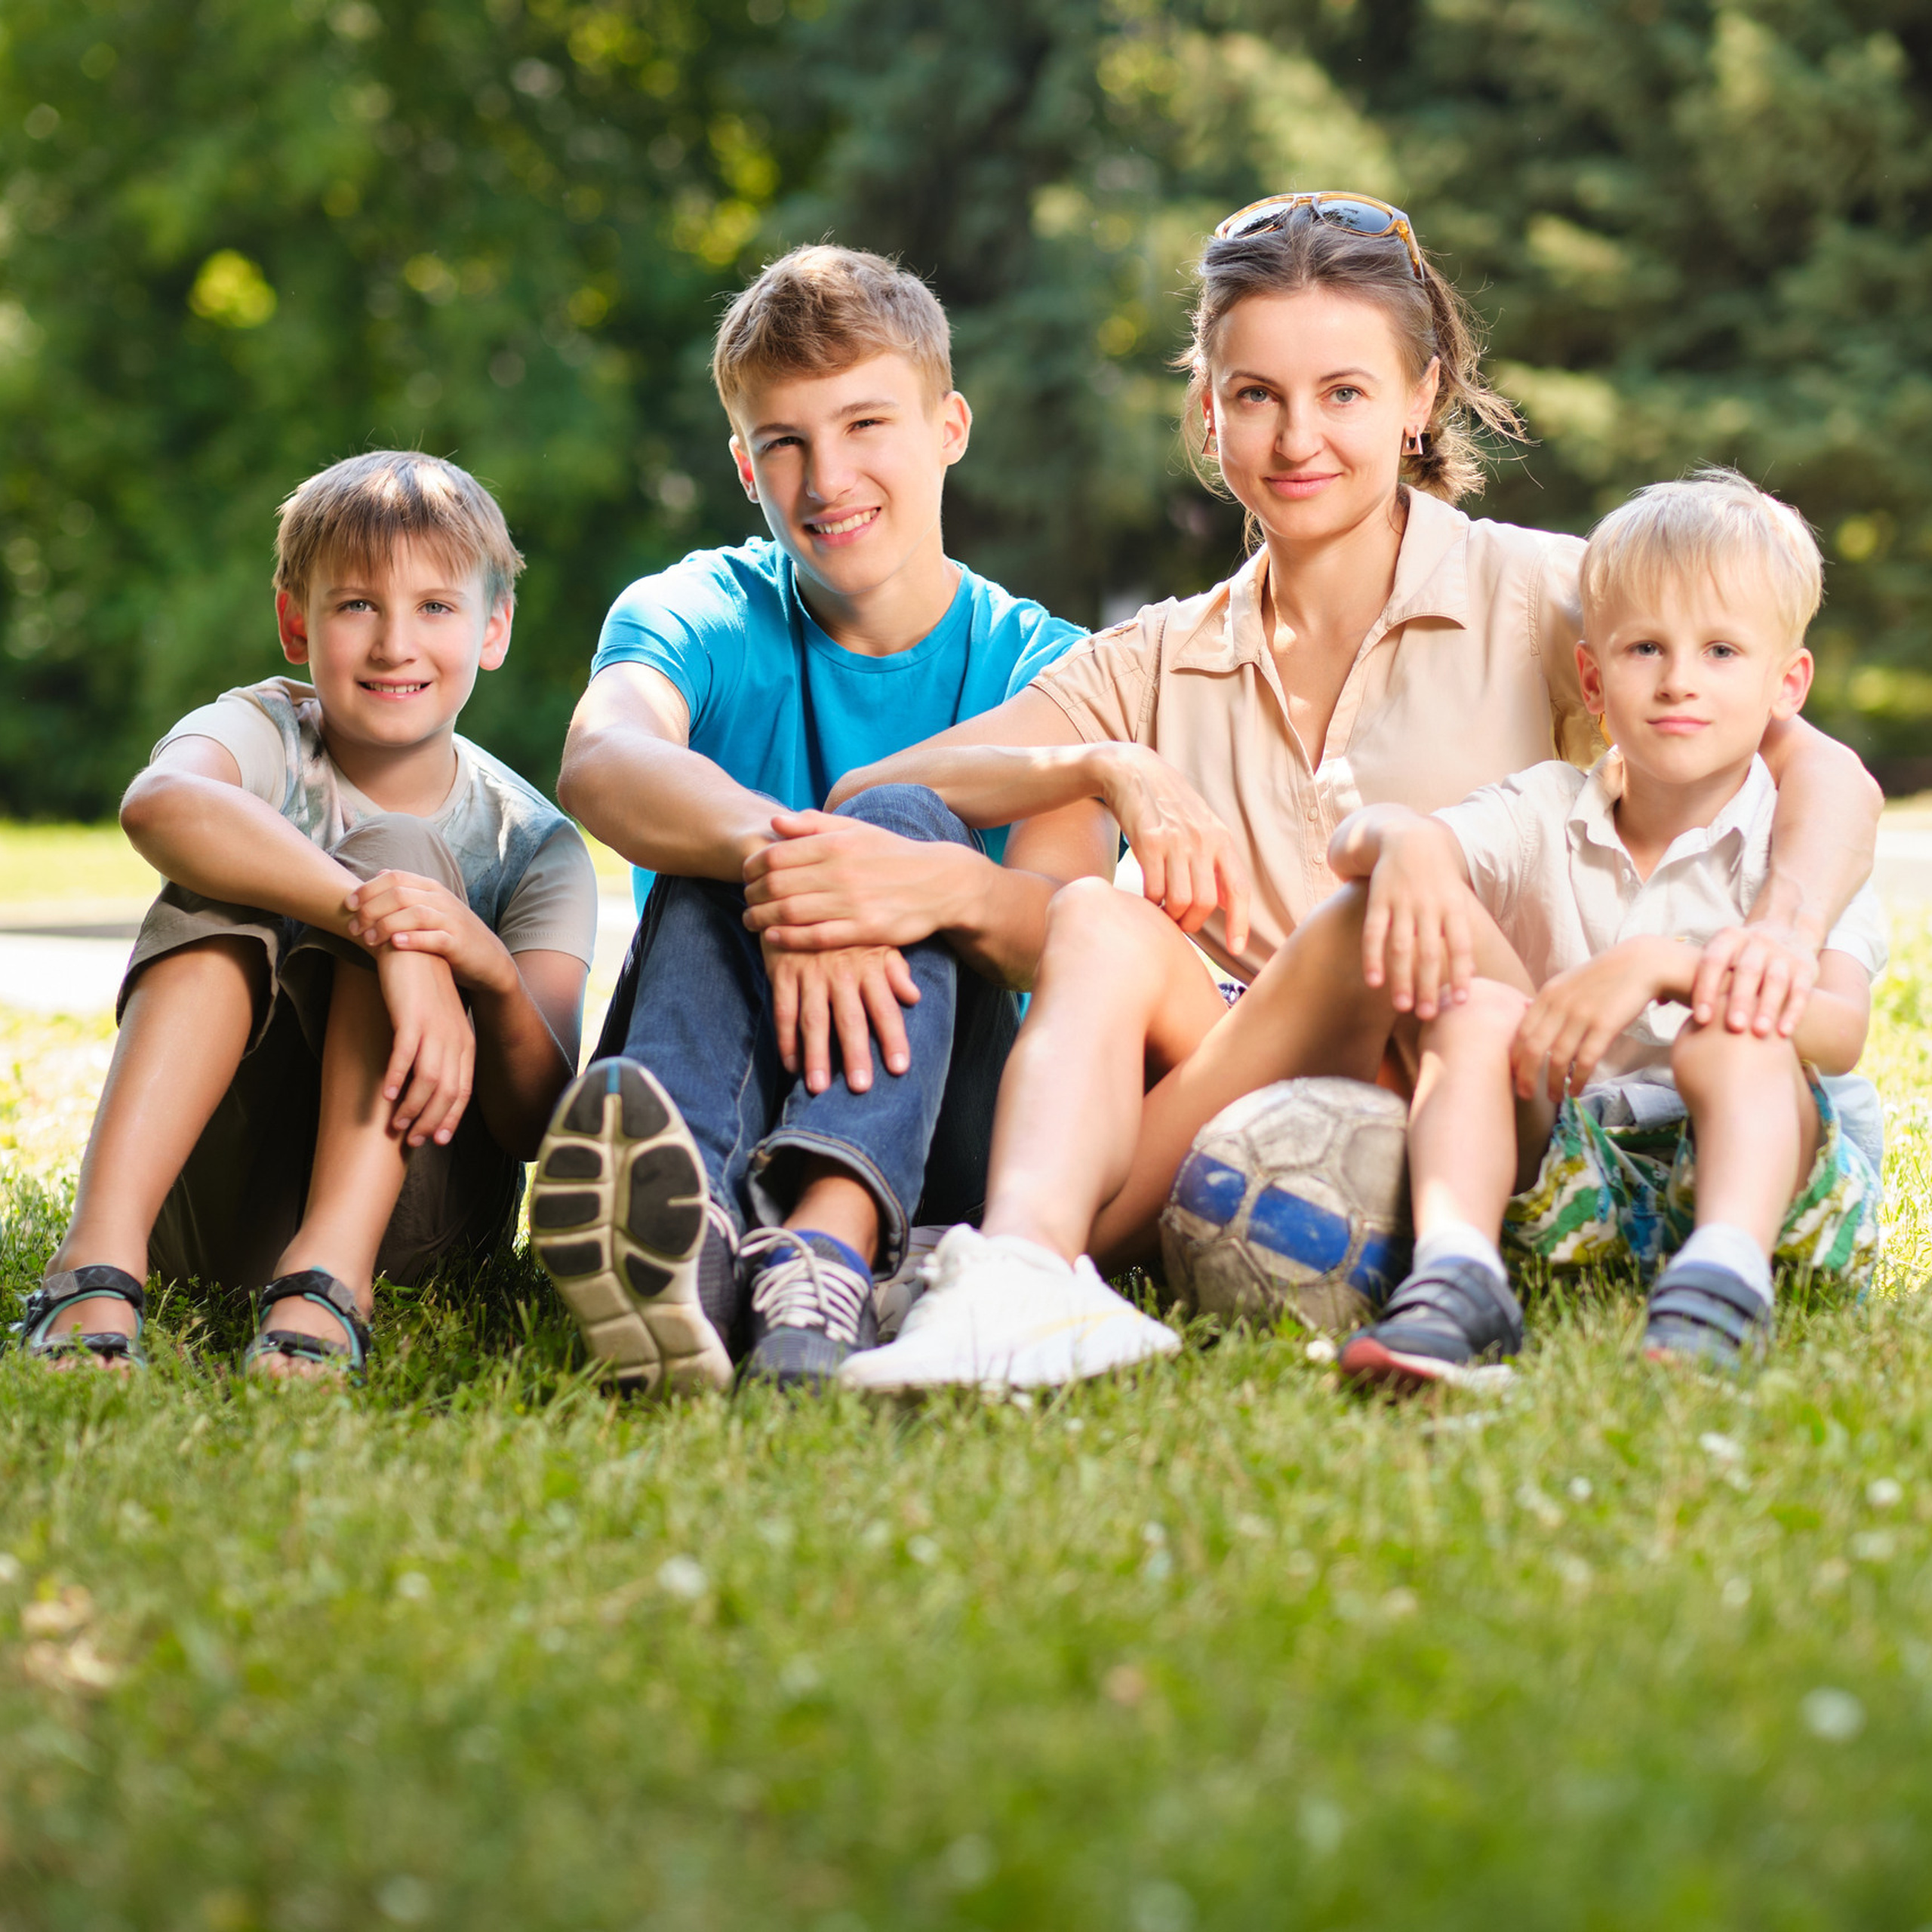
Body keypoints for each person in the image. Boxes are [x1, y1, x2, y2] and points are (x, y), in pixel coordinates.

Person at [796, 192, 1884, 1393]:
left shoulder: (1543, 594)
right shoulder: (1157, 655)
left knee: (1374, 907)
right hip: (1235, 1084)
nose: (1296, 436)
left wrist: (1780, 931)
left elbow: (1810, 755)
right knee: (1099, 918)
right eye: (1255, 394)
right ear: (1209, 413)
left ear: (1421, 399)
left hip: (1474, 1070)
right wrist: (1106, 762)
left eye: (1345, 393)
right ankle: (1023, 1273)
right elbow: (879, 784)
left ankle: (1024, 1257)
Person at [539, 244, 1175, 1393]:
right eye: (785, 443)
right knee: (715, 836)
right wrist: (779, 864)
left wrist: (898, 878)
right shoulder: (697, 607)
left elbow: (1056, 931)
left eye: (866, 424)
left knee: (897, 813)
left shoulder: (1053, 662)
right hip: (731, 1068)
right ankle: (685, 1238)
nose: (827, 477)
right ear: (744, 465)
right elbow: (603, 758)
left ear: (950, 428)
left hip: (949, 1131)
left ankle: (828, 1242)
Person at [21, 453, 596, 1378]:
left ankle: (327, 1283)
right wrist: (379, 926)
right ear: (297, 620)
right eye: (357, 604)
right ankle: (97, 1261)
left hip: (414, 1224)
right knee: (221, 867)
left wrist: (476, 964)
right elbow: (158, 803)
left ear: (495, 628)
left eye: (437, 607)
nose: (395, 643)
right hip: (207, 1210)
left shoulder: (536, 844)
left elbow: (534, 1125)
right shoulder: (266, 732)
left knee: (404, 850)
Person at [1332, 471, 1884, 1384]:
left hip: (1775, 1184)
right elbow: (1365, 842)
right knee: (1471, 1013)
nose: (1677, 682)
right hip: (1581, 1173)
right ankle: (1457, 1277)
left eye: (1719, 651)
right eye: (1643, 650)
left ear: (1786, 684)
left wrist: (1668, 966)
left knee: (1732, 1032)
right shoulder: (1545, 808)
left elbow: (1842, 1029)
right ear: (1592, 676)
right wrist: (1406, 840)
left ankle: (1722, 1283)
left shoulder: (1797, 844)